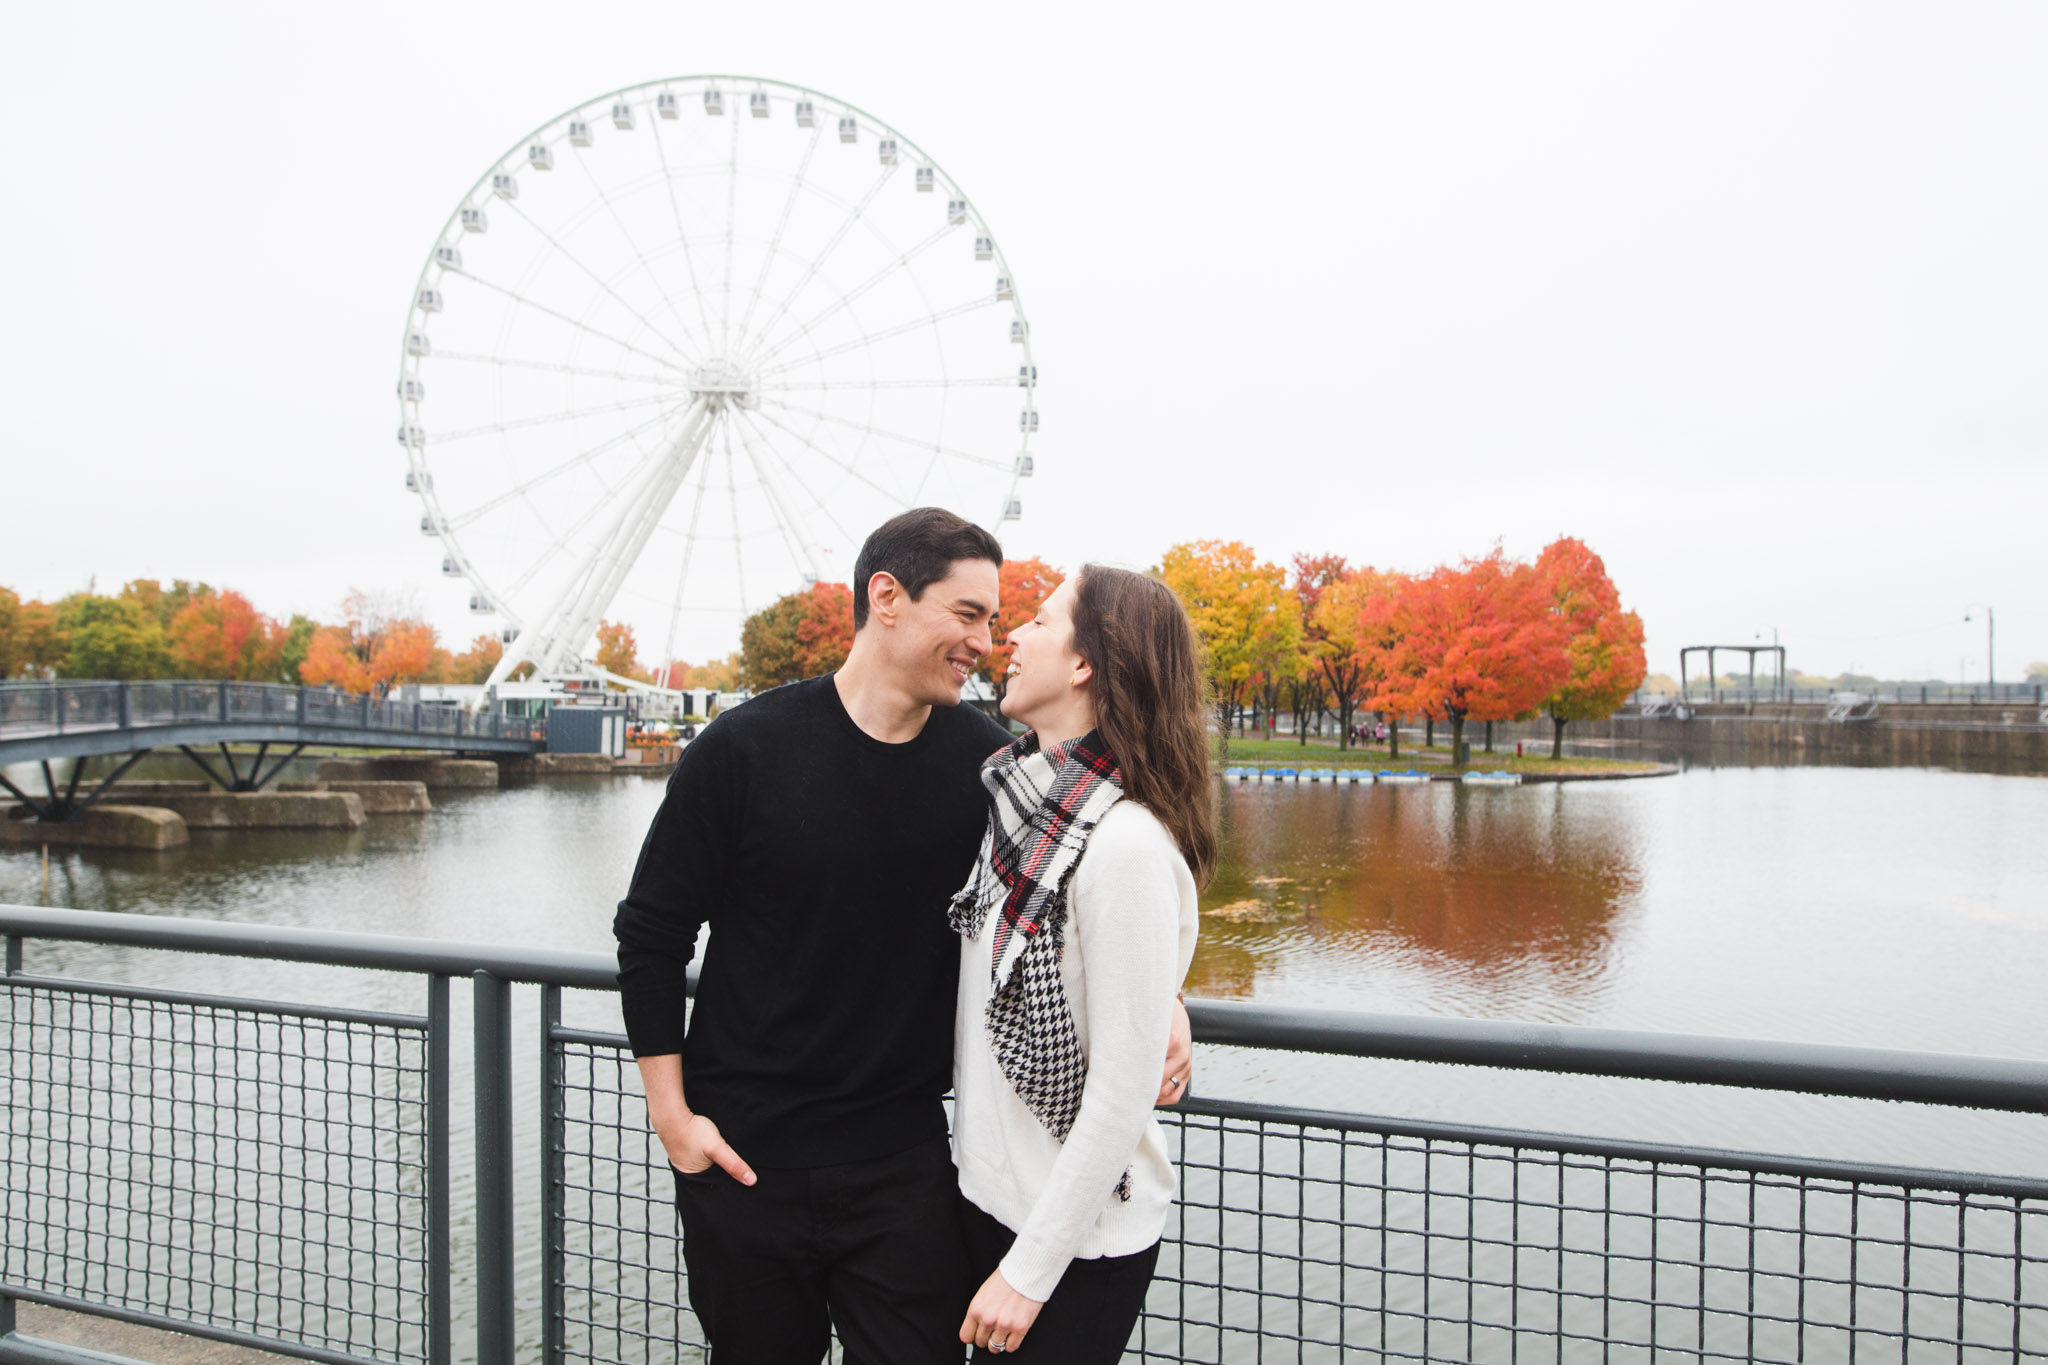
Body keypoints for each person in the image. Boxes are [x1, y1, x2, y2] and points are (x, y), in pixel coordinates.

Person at [613, 509, 1192, 1365]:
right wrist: (672, 1116)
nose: (986, 642)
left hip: (908, 1171)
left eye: (998, 621)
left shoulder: (991, 769)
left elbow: (1086, 879)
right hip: (744, 1161)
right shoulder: (743, 749)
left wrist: (1167, 997)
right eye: (968, 615)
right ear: (886, 596)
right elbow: (651, 933)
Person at [950, 566, 1213, 1362]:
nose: (1012, 638)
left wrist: (1030, 1270)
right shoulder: (1023, 805)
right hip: (991, 1195)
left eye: (1037, 620)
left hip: (1073, 1238)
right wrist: (1165, 990)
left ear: (1084, 664)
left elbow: (1124, 1089)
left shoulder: (1123, 843)